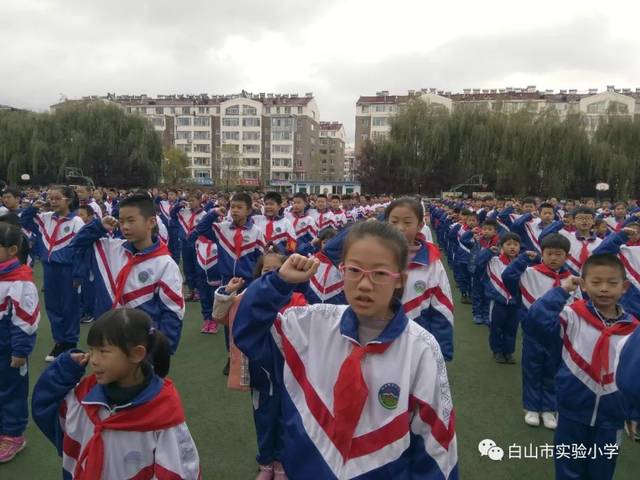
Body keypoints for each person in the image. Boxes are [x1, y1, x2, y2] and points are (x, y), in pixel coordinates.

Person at [234, 221, 458, 479]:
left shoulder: (420, 348)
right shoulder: (308, 326)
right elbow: (247, 331)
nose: (364, 284)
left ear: (401, 280)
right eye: (354, 270)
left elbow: (435, 446)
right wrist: (278, 282)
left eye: (380, 273)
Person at [31, 308, 200, 479]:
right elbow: (45, 408)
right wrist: (63, 369)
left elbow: (180, 473)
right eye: (92, 350)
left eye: (103, 351)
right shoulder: (84, 398)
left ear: (136, 354)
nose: (94, 360)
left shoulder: (162, 415)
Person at [526, 254, 640, 480]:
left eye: (612, 283)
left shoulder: (634, 329)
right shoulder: (572, 316)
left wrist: (635, 412)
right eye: (596, 282)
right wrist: (562, 290)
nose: (604, 289)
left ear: (625, 287)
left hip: (611, 418)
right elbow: (535, 322)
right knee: (568, 469)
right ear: (584, 285)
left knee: (602, 472)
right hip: (571, 412)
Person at [217, 252, 307, 480]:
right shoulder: (250, 297)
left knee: (287, 421)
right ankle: (266, 463)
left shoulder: (297, 299)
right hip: (260, 375)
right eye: (268, 271)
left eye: (279, 268)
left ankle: (282, 464)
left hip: (288, 375)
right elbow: (219, 315)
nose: (274, 274)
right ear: (259, 275)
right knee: (264, 420)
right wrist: (227, 292)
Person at [69, 194, 185, 354]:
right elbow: (75, 245)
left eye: (131, 220)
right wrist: (98, 227)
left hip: (141, 345)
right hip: (107, 337)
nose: (125, 227)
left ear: (151, 222)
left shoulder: (165, 264)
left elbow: (172, 312)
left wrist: (162, 350)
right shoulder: (110, 248)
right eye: (121, 221)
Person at [503, 234, 577, 429]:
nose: (553, 258)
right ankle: (532, 408)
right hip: (533, 332)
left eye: (558, 254)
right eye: (549, 253)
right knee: (532, 370)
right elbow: (507, 277)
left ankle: (549, 409)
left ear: (567, 256)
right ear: (542, 254)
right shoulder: (529, 273)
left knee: (554, 371)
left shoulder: (572, 279)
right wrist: (522, 259)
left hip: (560, 332)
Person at [195, 192, 265, 374]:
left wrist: (257, 281)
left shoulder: (256, 232)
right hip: (227, 282)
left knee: (249, 319)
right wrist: (213, 212)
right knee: (229, 321)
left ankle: (250, 356)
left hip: (248, 282)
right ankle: (231, 357)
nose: (234, 210)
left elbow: (261, 259)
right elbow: (201, 229)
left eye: (239, 207)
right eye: (233, 207)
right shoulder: (222, 228)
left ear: (249, 210)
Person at [20, 185, 85, 361]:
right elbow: (24, 221)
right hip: (50, 269)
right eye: (51, 198)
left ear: (68, 201)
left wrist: (78, 274)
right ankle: (59, 341)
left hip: (68, 270)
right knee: (53, 306)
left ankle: (70, 343)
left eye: (57, 198)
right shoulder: (45, 218)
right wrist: (33, 208)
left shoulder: (76, 222)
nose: (52, 202)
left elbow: (80, 250)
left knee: (69, 307)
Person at [0, 222, 40, 463]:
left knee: (11, 392)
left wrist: (20, 352)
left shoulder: (20, 282)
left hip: (9, 352)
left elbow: (25, 322)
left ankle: (13, 434)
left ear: (13, 250)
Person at [475, 232, 522, 363]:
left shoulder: (521, 264)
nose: (512, 247)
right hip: (497, 301)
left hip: (515, 302)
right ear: (501, 246)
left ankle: (508, 352)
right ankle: (497, 351)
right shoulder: (493, 261)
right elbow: (478, 262)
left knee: (512, 328)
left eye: (516, 244)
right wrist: (489, 252)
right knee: (496, 327)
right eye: (508, 244)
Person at [540, 206, 602, 275]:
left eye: (588, 218)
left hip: (590, 279)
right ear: (573, 221)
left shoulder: (600, 242)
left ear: (593, 221)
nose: (584, 221)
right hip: (565, 277)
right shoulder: (565, 237)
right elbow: (543, 236)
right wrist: (560, 223)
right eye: (580, 218)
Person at [171, 191, 206, 301]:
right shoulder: (184, 212)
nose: (190, 202)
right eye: (189, 200)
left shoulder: (204, 215)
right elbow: (172, 214)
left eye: (193, 200)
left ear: (200, 200)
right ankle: (191, 290)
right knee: (187, 267)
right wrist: (178, 206)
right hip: (185, 243)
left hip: (198, 245)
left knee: (198, 268)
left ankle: (198, 291)